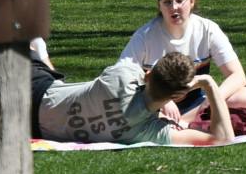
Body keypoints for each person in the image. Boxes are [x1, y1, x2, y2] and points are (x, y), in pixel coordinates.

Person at [120, 0, 246, 119]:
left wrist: (212, 99)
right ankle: (184, 122)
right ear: (159, 5)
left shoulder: (207, 29)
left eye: (180, 0)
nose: (174, 7)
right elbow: (122, 76)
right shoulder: (145, 35)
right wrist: (162, 100)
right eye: (167, 2)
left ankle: (180, 122)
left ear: (192, 1)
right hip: (155, 106)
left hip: (197, 104)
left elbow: (237, 76)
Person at [35, 51, 235, 146]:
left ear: (148, 74)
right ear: (179, 95)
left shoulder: (122, 76)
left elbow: (139, 75)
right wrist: (207, 82)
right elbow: (223, 138)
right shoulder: (147, 132)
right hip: (30, 125)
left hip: (38, 87)